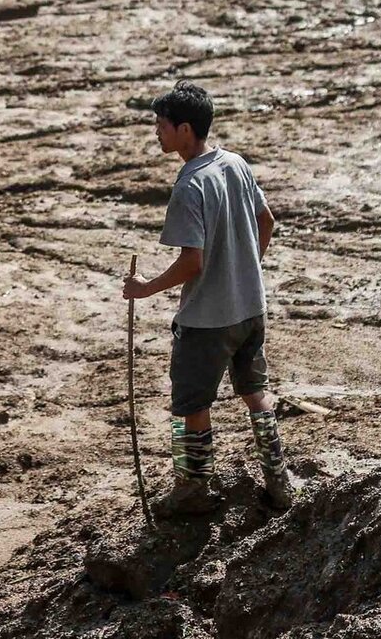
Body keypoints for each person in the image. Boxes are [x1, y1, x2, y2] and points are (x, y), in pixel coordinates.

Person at [122, 80, 294, 513]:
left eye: (160, 126)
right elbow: (267, 221)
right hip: (251, 307)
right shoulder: (235, 164)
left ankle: (193, 490)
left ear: (184, 130)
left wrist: (145, 289)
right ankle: (279, 479)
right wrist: (244, 268)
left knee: (191, 403)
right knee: (256, 391)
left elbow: (192, 262)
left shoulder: (189, 186)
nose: (156, 133)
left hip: (207, 320)